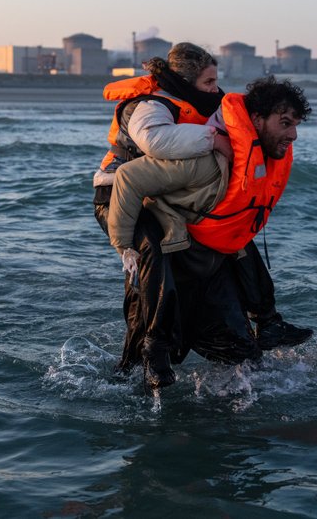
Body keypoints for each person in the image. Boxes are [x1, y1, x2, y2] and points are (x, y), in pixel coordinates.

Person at [107, 75, 314, 371]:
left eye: (295, 125)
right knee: (141, 366)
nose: (293, 135)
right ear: (256, 119)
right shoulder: (204, 160)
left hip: (209, 266)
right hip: (173, 266)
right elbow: (128, 178)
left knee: (246, 359)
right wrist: (124, 248)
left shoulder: (253, 161)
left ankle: (267, 328)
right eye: (285, 123)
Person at [92, 43, 229, 388]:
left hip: (152, 198)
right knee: (151, 253)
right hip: (115, 195)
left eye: (216, 81)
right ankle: (149, 351)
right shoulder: (150, 105)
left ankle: (253, 325)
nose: (216, 91)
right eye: (209, 82)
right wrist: (212, 140)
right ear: (185, 82)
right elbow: (155, 141)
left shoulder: (195, 104)